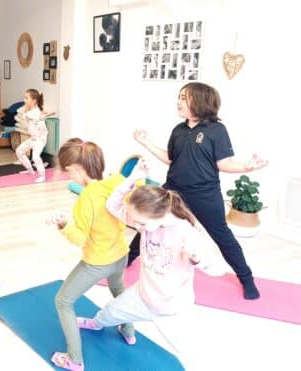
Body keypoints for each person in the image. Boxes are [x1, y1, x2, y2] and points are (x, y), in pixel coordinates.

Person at [77, 160, 224, 370]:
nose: (136, 226)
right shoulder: (147, 223)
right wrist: (132, 179)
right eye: (135, 221)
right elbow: (112, 206)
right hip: (141, 296)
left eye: (141, 223)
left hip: (171, 310)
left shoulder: (186, 233)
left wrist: (200, 259)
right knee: (109, 311)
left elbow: (218, 269)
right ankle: (95, 324)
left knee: (190, 355)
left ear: (160, 215)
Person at [131, 82, 268, 299]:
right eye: (179, 96)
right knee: (149, 224)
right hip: (173, 191)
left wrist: (245, 167)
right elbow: (170, 158)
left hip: (205, 194)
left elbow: (224, 163)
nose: (179, 101)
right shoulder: (179, 130)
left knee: (222, 237)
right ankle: (129, 257)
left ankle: (246, 278)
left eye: (184, 97)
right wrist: (147, 143)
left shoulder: (217, 131)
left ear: (201, 102)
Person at [48, 138, 132, 371]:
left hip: (98, 262)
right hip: (120, 255)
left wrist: (63, 224)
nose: (69, 177)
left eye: (68, 173)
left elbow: (80, 239)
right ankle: (128, 331)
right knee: (118, 289)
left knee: (63, 302)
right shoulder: (117, 181)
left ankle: (74, 360)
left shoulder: (86, 199)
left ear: (74, 169)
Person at [15, 89, 49, 183]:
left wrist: (39, 118)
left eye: (26, 98)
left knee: (35, 157)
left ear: (33, 100)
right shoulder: (31, 110)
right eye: (24, 98)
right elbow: (21, 114)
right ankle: (30, 170)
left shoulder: (35, 112)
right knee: (19, 151)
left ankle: (42, 176)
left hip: (39, 140)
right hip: (33, 138)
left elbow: (29, 116)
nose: (24, 100)